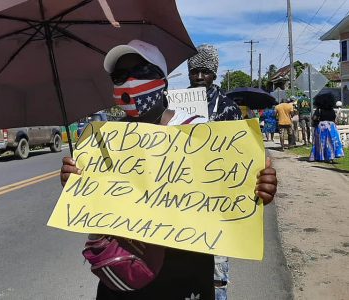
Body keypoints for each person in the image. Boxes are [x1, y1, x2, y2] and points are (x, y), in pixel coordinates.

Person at [60, 40, 278, 300]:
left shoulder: (198, 132)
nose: (130, 82)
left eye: (141, 72)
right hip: (123, 275)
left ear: (162, 81)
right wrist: (74, 182)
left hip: (185, 272)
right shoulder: (102, 139)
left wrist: (259, 188)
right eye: (120, 76)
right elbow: (94, 204)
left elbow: (231, 193)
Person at [187, 44, 243, 300]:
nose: (199, 77)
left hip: (217, 202)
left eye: (204, 72)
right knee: (183, 276)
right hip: (182, 203)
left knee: (216, 276)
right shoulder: (175, 105)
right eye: (194, 72)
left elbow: (239, 154)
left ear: (214, 74)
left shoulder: (228, 107)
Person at [309, 92, 344, 162]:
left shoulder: (319, 110)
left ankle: (321, 156)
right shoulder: (332, 110)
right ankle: (331, 157)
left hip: (322, 127)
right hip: (331, 127)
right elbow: (334, 119)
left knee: (321, 142)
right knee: (331, 142)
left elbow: (314, 118)